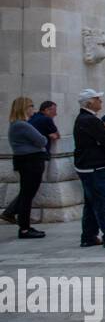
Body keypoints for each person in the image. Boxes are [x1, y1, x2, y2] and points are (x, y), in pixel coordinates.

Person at [73, 89, 105, 249]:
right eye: (97, 99)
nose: (100, 102)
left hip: (88, 166)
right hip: (94, 167)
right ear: (89, 102)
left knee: (91, 203)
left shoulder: (84, 119)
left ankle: (89, 236)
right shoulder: (90, 120)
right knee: (102, 203)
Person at [2, 97, 49, 238]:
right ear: (24, 107)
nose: (33, 109)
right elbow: (42, 140)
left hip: (28, 161)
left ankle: (15, 218)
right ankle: (24, 228)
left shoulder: (18, 124)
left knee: (26, 194)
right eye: (31, 106)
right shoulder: (21, 125)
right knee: (27, 195)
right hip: (31, 162)